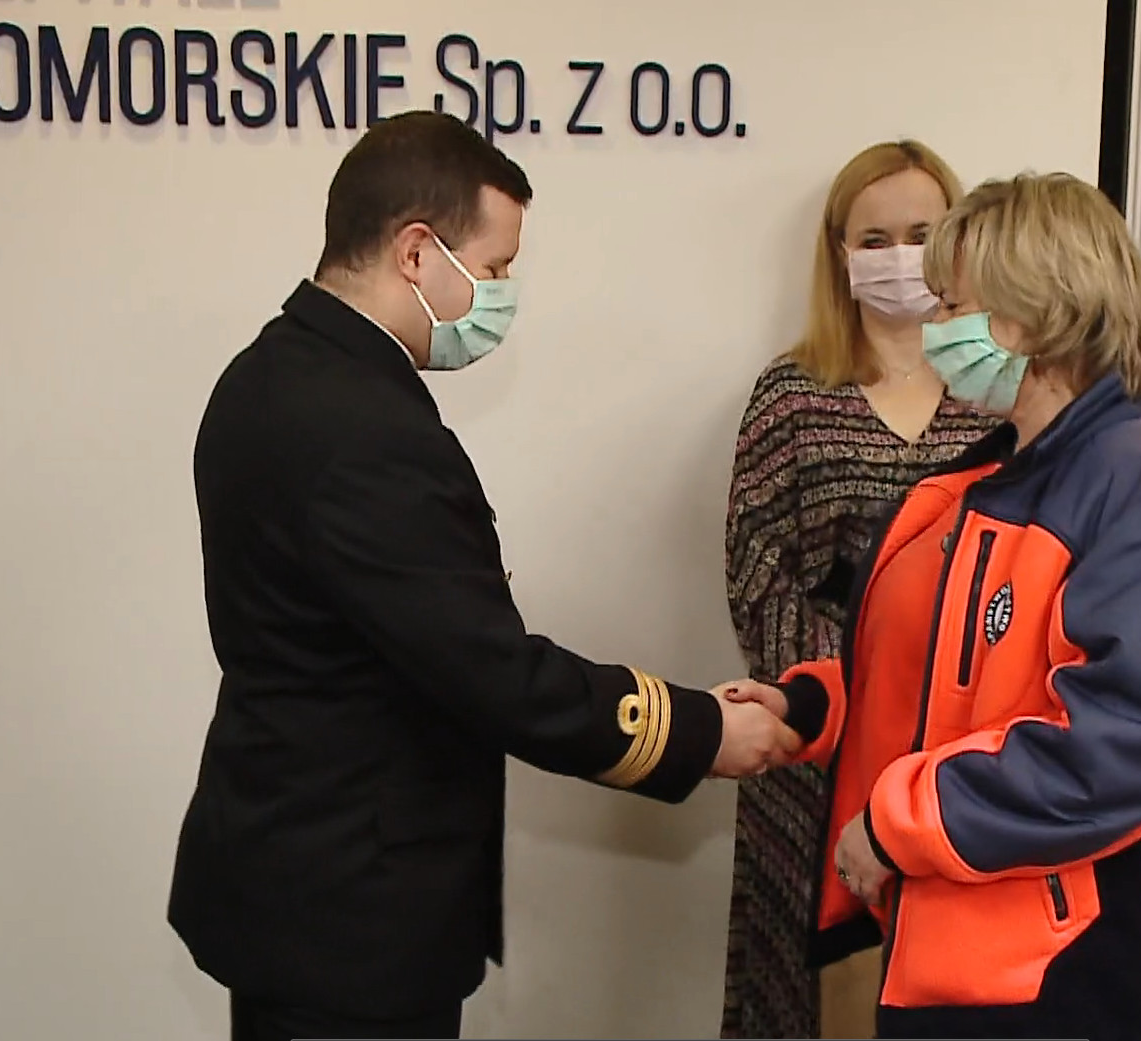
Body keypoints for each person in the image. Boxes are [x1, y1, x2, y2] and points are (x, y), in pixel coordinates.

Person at [167, 110, 801, 1041]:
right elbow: (490, 671)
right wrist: (699, 730)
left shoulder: (267, 373)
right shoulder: (363, 428)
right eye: (495, 267)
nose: (501, 293)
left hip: (291, 877)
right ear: (416, 251)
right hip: (353, 917)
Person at [731, 172, 1141, 1040]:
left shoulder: (1136, 497)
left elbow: (1115, 747)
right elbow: (946, 677)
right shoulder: (994, 477)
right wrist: (810, 704)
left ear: (1035, 313)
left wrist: (899, 825)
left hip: (1073, 970)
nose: (933, 326)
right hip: (964, 953)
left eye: (952, 304)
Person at [721, 140, 999, 1039]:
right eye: (874, 238)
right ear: (838, 252)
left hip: (966, 746)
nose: (899, 256)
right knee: (808, 994)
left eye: (920, 234)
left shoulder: (996, 390)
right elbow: (756, 570)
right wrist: (849, 701)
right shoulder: (792, 390)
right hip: (819, 745)